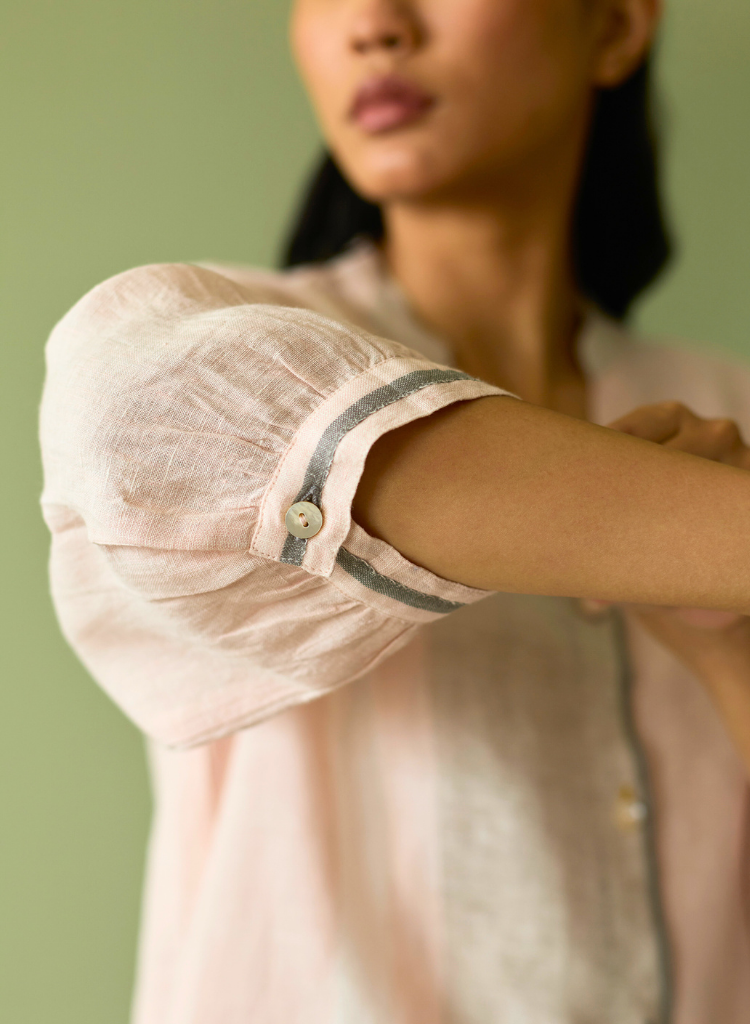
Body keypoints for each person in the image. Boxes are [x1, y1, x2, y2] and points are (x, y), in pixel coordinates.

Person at [39, 0, 750, 1020]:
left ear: (614, 26)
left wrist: (729, 650)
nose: (372, 23)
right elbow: (131, 434)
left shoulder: (727, 410)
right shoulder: (215, 350)